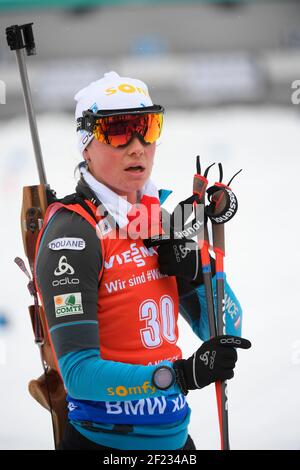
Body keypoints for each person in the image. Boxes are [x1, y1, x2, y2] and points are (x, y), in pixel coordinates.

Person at [35, 71, 251, 451]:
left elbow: (227, 327)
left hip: (175, 441)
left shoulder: (161, 221)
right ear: (86, 145)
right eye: (118, 131)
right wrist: (180, 376)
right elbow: (79, 375)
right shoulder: (73, 236)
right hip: (104, 445)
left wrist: (197, 275)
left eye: (147, 128)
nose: (137, 147)